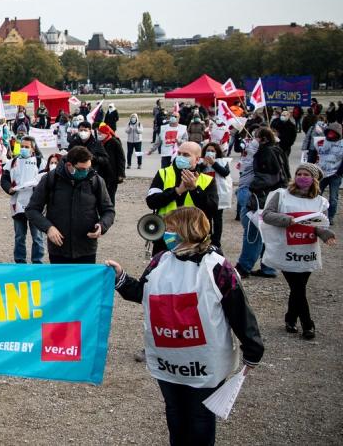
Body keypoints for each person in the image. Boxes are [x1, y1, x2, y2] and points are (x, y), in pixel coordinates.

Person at [106, 207, 264, 446]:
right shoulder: (160, 261)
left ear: (188, 230)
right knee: (175, 415)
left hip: (203, 361)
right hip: (168, 360)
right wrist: (121, 278)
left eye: (171, 229)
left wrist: (252, 349)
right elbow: (144, 293)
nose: (166, 234)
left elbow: (239, 310)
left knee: (200, 418)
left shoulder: (218, 267)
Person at [260, 163, 336, 339]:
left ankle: (290, 319)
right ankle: (308, 324)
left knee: (298, 288)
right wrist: (287, 220)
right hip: (285, 249)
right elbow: (267, 215)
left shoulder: (320, 201)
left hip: (306, 250)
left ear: (314, 179)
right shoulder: (281, 195)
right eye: (299, 173)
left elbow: (318, 226)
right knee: (298, 287)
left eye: (306, 174)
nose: (302, 177)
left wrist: (325, 234)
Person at [24, 146, 115, 264]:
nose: (86, 172)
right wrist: (48, 228)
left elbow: (108, 210)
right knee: (60, 283)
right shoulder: (51, 179)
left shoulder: (96, 180)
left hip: (86, 250)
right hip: (59, 250)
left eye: (88, 168)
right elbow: (32, 210)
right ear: (69, 165)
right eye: (82, 169)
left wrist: (102, 226)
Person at [145, 141, 219, 256]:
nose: (180, 157)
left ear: (197, 159)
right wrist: (177, 191)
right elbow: (151, 202)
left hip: (194, 237)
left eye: (186, 155)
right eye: (179, 153)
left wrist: (195, 190)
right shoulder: (163, 173)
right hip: (166, 235)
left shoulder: (207, 180)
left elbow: (212, 210)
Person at [237, 127, 289, 278]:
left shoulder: (266, 152)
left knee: (252, 232)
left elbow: (268, 177)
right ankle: (268, 267)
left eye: (256, 137)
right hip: (265, 195)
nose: (253, 140)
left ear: (263, 139)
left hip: (257, 195)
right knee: (264, 232)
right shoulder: (275, 150)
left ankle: (244, 267)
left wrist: (254, 188)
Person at [2, 136, 46, 264]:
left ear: (33, 149)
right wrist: (8, 188)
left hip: (35, 205)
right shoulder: (12, 162)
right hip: (18, 204)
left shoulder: (40, 162)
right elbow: (4, 179)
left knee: (37, 237)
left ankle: (37, 262)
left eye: (27, 147)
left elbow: (45, 180)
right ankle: (20, 262)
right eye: (22, 146)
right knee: (19, 236)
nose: (24, 149)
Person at [198, 142, 232, 248]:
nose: (210, 152)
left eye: (213, 151)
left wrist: (214, 164)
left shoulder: (223, 161)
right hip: (205, 195)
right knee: (206, 218)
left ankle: (216, 241)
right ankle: (207, 239)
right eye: (208, 150)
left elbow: (225, 173)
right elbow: (196, 172)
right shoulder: (200, 161)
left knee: (217, 219)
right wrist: (203, 165)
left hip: (219, 194)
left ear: (217, 152)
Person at [315, 123, 342, 224]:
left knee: (333, 198)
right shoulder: (320, 142)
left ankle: (330, 217)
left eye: (333, 133)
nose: (331, 135)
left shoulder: (342, 144)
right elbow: (313, 155)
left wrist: (339, 173)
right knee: (316, 194)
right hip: (321, 174)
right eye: (329, 132)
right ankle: (316, 213)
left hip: (335, 175)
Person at [96, 124, 125, 203]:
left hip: (112, 173)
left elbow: (121, 159)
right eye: (98, 133)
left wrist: (121, 174)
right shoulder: (99, 143)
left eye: (100, 133)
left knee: (110, 195)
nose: (99, 135)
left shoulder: (114, 142)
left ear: (106, 133)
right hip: (101, 172)